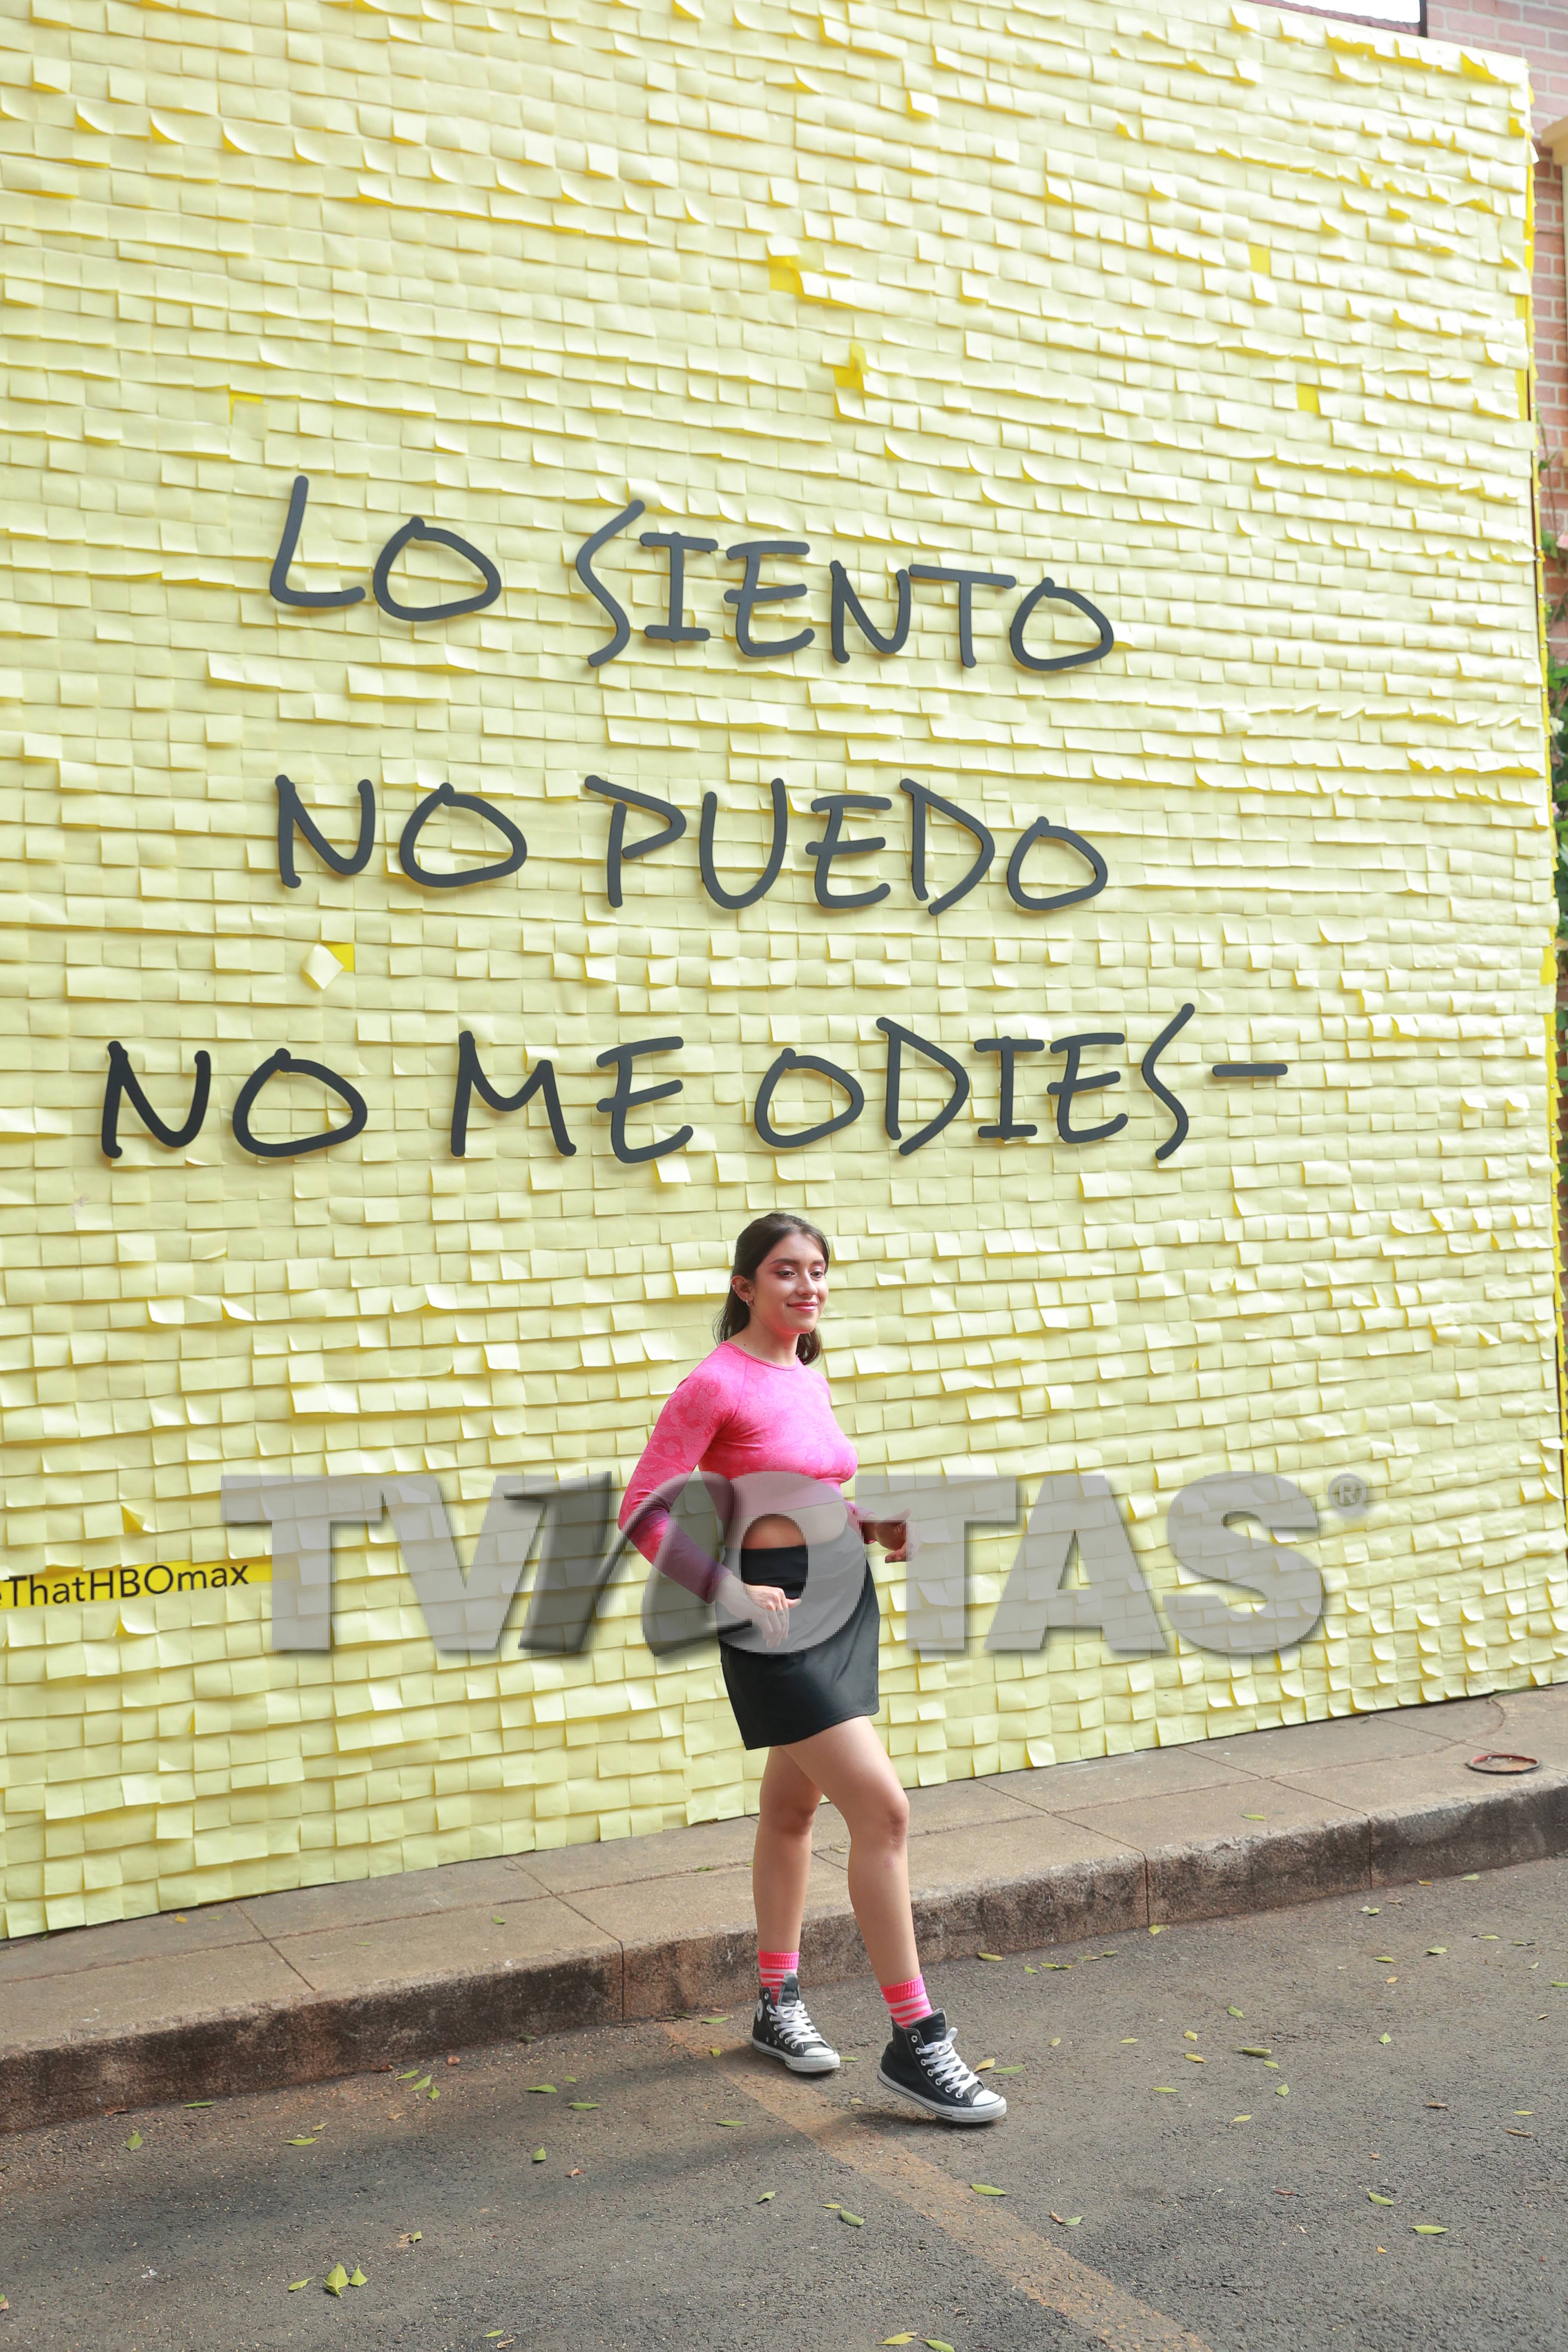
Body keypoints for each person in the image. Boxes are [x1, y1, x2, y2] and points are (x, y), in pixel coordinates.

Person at [620, 1210, 1005, 2127]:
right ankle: (916, 2040)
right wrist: (726, 1591)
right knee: (883, 1810)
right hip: (775, 1617)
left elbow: (807, 1492)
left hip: (841, 1603)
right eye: (786, 1270)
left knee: (793, 1809)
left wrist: (867, 1523)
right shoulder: (714, 1383)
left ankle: (775, 2001)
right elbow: (643, 1509)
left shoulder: (805, 1372)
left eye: (819, 1270)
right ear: (745, 1286)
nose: (808, 1286)